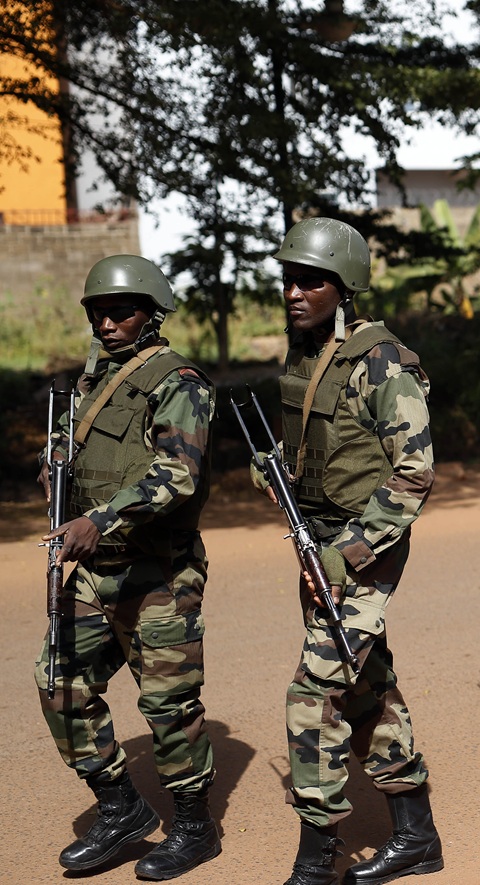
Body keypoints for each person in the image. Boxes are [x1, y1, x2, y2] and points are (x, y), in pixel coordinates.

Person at [266, 218, 442, 885]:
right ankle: (417, 834)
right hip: (319, 541)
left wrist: (352, 550)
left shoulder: (380, 360)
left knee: (313, 691)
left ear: (344, 287)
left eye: (311, 280)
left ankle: (318, 860)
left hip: (365, 545)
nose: (294, 291)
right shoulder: (307, 353)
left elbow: (415, 471)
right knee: (364, 684)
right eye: (289, 278)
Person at [36, 255, 220, 879]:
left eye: (123, 312)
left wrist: (101, 519)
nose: (109, 324)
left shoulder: (180, 382)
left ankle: (195, 827)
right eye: (99, 313)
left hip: (158, 574)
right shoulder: (90, 380)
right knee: (59, 683)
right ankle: (121, 808)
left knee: (168, 707)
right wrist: (52, 465)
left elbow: (177, 473)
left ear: (152, 314)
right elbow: (70, 441)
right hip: (93, 572)